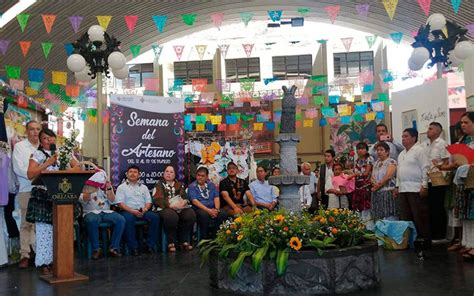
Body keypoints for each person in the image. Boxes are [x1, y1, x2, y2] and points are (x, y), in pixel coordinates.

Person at [26, 128, 78, 275]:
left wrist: (62, 172)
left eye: (51, 138)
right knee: (44, 231)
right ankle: (45, 263)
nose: (49, 141)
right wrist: (48, 163)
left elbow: (77, 167)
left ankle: (62, 261)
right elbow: (30, 174)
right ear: (40, 141)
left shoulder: (64, 152)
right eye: (45, 138)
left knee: (63, 228)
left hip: (62, 194)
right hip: (43, 194)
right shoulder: (37, 154)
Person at [395, 128, 431, 252]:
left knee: (419, 216)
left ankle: (424, 241)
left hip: (416, 187)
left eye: (406, 136)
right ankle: (410, 240)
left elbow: (426, 168)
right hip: (403, 188)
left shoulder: (420, 150)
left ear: (414, 138)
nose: (403, 139)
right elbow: (399, 171)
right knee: (406, 216)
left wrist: (425, 185)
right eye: (402, 136)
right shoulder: (401, 154)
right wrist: (397, 186)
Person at [12, 120, 41, 268]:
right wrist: (35, 175)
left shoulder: (44, 147)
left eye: (37, 129)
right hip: (27, 189)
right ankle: (25, 255)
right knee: (26, 224)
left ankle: (41, 254)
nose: (35, 132)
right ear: (26, 130)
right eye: (32, 129)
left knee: (41, 224)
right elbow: (19, 169)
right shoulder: (20, 147)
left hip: (45, 190)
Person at [80, 170, 125, 259]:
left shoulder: (105, 186)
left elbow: (113, 201)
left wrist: (108, 189)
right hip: (91, 212)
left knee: (121, 219)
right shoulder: (85, 185)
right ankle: (96, 249)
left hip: (106, 212)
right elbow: (83, 199)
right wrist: (91, 189)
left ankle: (114, 247)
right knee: (92, 220)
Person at [116, 165, 159, 255]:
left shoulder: (144, 187)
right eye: (130, 172)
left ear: (139, 175)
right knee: (129, 219)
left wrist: (145, 209)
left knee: (155, 218)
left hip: (142, 211)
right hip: (127, 211)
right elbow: (120, 204)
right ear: (127, 174)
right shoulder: (121, 187)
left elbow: (148, 201)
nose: (133, 174)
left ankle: (149, 246)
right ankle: (133, 247)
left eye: (135, 172)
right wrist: (132, 211)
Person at [153, 165, 196, 252]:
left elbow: (186, 197)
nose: (168, 173)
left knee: (190, 214)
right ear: (163, 173)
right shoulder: (159, 184)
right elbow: (158, 200)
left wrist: (184, 202)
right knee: (171, 215)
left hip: (179, 208)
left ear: (175, 174)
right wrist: (171, 206)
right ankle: (171, 242)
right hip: (164, 209)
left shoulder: (179, 185)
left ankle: (183, 240)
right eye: (167, 171)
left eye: (171, 172)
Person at [422, 122, 449, 240]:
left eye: (431, 129)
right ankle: (432, 233)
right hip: (429, 178)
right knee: (431, 207)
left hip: (439, 179)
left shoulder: (442, 144)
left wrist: (440, 167)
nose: (428, 131)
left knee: (438, 207)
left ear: (438, 131)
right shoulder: (427, 144)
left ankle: (440, 234)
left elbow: (446, 162)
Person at [188, 166, 227, 240]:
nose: (200, 177)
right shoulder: (192, 186)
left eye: (203, 176)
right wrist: (208, 210)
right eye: (198, 175)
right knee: (204, 215)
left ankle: (215, 237)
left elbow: (216, 197)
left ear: (206, 177)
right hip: (200, 209)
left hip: (213, 208)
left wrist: (216, 210)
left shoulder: (211, 185)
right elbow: (194, 201)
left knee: (222, 214)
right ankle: (204, 239)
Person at [371, 142, 399, 220]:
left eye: (381, 150)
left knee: (389, 215)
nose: (379, 152)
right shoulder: (376, 163)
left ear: (387, 152)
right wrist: (375, 185)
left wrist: (377, 186)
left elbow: (388, 176)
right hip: (377, 192)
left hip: (388, 192)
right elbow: (372, 177)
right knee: (379, 216)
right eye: (377, 150)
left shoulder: (391, 161)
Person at [353, 142, 374, 225]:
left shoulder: (369, 159)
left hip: (366, 186)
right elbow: (355, 172)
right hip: (357, 187)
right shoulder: (356, 161)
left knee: (366, 208)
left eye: (362, 148)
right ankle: (361, 228)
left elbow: (366, 173)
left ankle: (369, 228)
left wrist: (355, 174)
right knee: (358, 208)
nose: (360, 150)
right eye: (358, 149)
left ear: (366, 150)